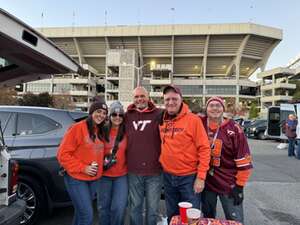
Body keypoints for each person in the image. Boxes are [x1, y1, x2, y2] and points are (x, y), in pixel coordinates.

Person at [159, 85, 211, 222]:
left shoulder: (193, 120)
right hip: (168, 176)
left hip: (189, 178)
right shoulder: (161, 119)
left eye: (174, 99)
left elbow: (205, 149)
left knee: (190, 217)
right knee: (172, 214)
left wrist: (201, 177)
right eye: (167, 99)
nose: (170, 102)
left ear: (181, 100)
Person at [200, 96, 253, 223]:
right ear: (206, 109)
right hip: (207, 182)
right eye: (211, 105)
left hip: (228, 183)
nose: (214, 108)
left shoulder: (234, 128)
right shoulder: (199, 123)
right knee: (208, 219)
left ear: (223, 109)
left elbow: (243, 158)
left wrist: (239, 186)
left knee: (235, 220)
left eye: (218, 105)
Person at [57, 99, 108, 225]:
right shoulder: (77, 128)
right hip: (76, 179)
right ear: (91, 112)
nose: (101, 115)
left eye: (104, 113)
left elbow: (94, 152)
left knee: (81, 213)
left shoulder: (99, 131)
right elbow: (62, 155)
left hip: (93, 180)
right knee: (87, 215)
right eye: (98, 111)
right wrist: (83, 168)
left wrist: (106, 159)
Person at [125, 86, 162, 225]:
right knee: (135, 207)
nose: (139, 99)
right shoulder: (126, 116)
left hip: (155, 171)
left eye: (142, 96)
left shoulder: (159, 114)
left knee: (152, 209)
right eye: (136, 97)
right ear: (133, 99)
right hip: (133, 170)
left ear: (148, 97)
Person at [97, 101, 128, 225]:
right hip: (104, 175)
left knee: (119, 208)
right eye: (114, 114)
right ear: (109, 116)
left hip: (121, 175)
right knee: (103, 208)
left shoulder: (127, 132)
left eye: (120, 115)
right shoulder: (101, 131)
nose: (117, 117)